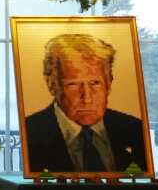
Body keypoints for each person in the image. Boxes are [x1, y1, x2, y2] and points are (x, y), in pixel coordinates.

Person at [24, 33, 148, 174]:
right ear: (52, 85)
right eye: (73, 84)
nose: (87, 98)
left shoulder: (134, 129)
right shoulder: (30, 133)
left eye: (95, 83)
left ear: (109, 83)